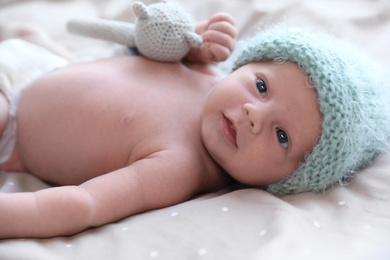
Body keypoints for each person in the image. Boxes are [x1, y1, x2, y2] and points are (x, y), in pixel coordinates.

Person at [0, 12, 389, 239]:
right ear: (246, 63)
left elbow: (85, 204)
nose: (255, 114)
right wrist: (195, 42)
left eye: (282, 136)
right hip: (41, 67)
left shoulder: (179, 167)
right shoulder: (208, 70)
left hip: (14, 128)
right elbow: (142, 52)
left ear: (290, 179)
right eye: (261, 85)